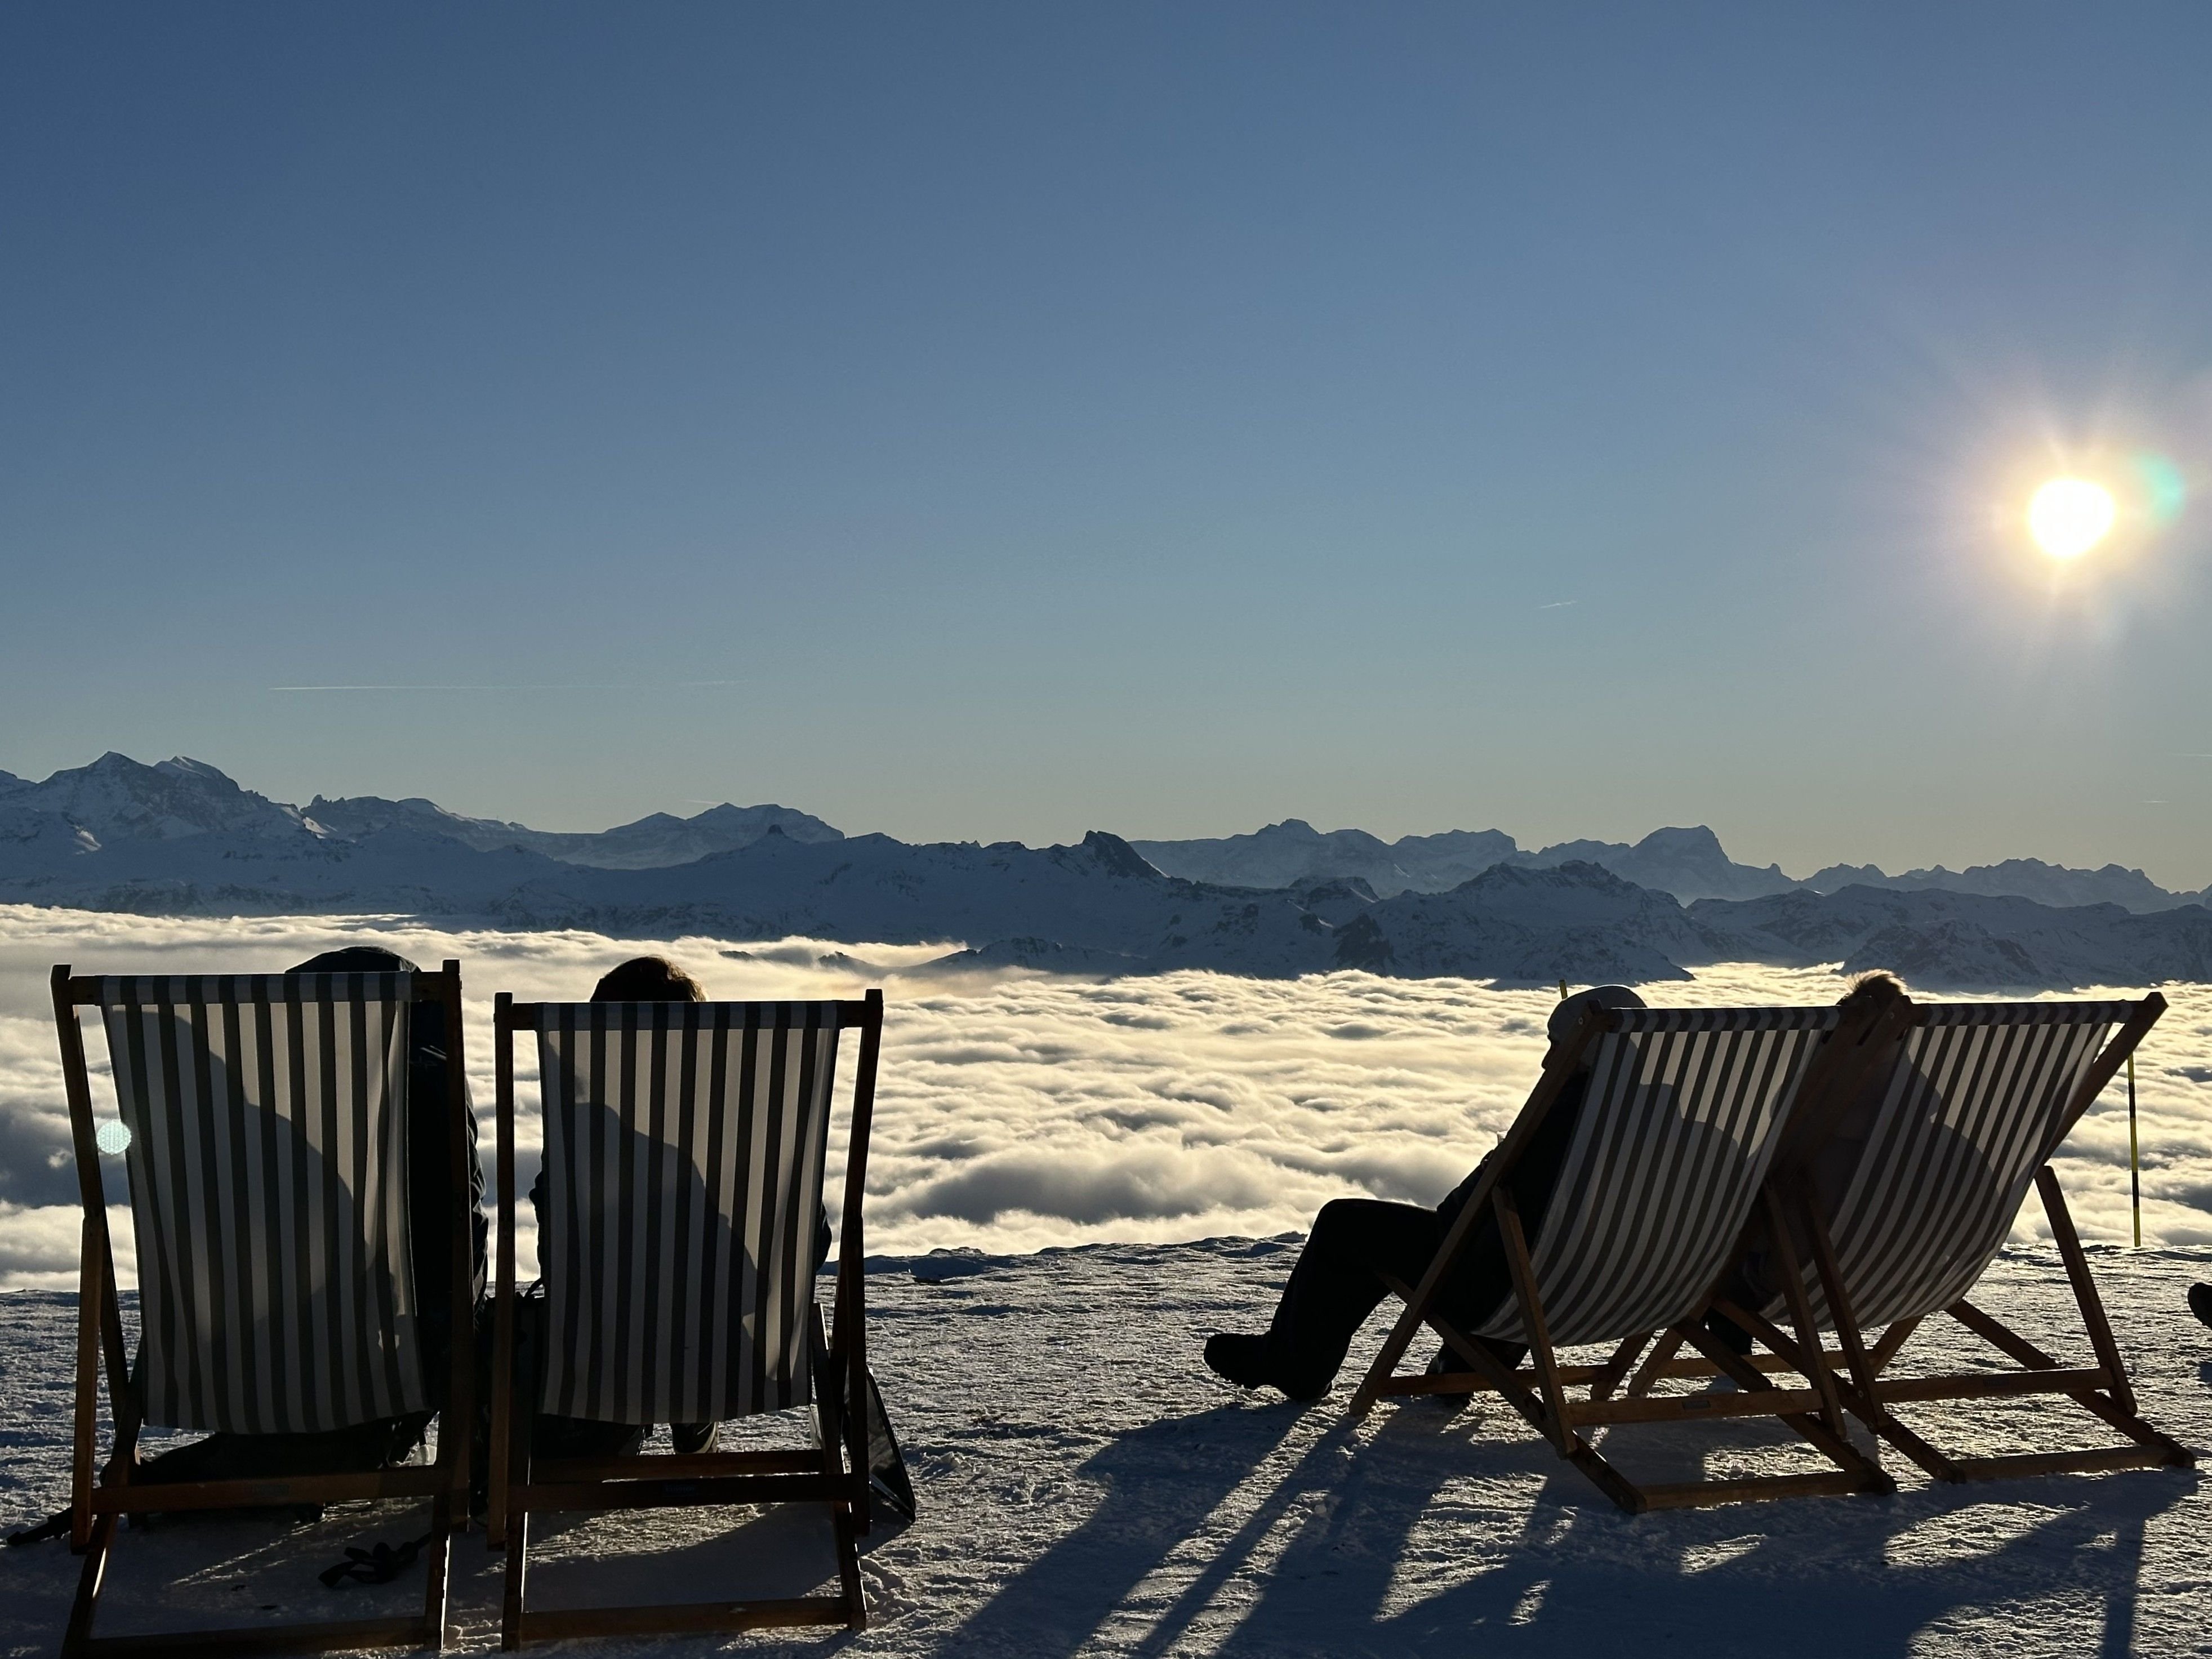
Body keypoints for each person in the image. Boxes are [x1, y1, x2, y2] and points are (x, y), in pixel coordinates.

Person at [1203, 985, 1648, 1403]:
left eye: (1556, 1046)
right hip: (1631, 1296)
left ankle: (1293, 1364)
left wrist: (1501, 1158)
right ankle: (1465, 1364)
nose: (1547, 1063)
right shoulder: (1690, 1131)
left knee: (1347, 1224)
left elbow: (1462, 1217)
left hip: (1520, 1295)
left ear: (1584, 1050)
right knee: (1514, 1251)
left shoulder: (1565, 1119)